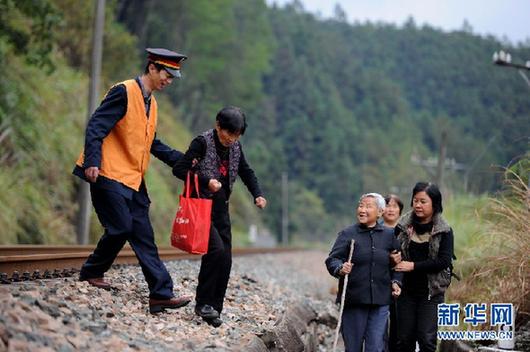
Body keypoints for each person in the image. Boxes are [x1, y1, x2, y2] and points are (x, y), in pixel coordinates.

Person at [73, 48, 192, 314]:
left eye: (172, 78)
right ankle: (92, 270)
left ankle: (161, 294)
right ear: (152, 68)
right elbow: (96, 125)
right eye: (166, 74)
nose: (168, 81)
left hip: (133, 180)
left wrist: (184, 162)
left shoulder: (152, 103)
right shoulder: (124, 91)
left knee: (143, 236)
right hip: (107, 173)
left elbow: (153, 143)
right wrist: (92, 160)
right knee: (121, 227)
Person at [172, 106, 267, 327]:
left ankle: (215, 307)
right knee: (215, 250)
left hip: (220, 208)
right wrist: (206, 181)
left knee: (226, 258)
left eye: (237, 135)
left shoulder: (235, 147)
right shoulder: (202, 143)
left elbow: (246, 171)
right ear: (218, 126)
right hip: (201, 206)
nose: (232, 139)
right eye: (229, 133)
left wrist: (258, 194)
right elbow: (179, 169)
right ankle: (202, 303)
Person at [326, 193, 402, 352]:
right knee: (353, 347)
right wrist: (340, 268)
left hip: (380, 301)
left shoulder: (389, 236)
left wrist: (396, 282)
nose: (362, 210)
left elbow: (398, 264)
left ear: (380, 212)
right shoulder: (348, 234)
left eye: (368, 206)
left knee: (375, 347)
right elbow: (332, 259)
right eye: (361, 205)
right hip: (354, 301)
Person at [392, 182, 454, 352]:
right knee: (404, 340)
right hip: (405, 292)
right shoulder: (402, 227)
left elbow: (443, 262)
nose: (417, 205)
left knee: (427, 339)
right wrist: (393, 257)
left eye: (423, 201)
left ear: (434, 204)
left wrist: (412, 266)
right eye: (415, 200)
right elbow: (391, 250)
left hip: (431, 293)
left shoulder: (444, 230)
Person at [382, 194, 404, 352]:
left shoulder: (407, 232)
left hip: (403, 283)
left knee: (399, 324)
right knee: (380, 324)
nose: (391, 209)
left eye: (394, 206)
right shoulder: (374, 230)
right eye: (388, 205)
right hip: (380, 282)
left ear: (400, 211)